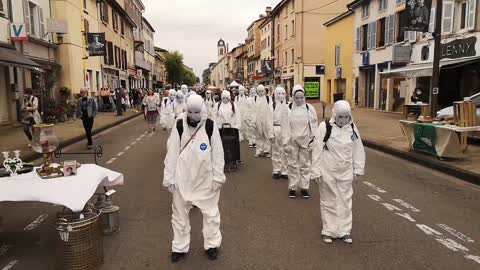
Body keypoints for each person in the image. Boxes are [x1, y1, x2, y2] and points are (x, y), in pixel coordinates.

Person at [164, 95, 226, 262]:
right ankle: (179, 247)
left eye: (196, 112)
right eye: (190, 112)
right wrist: (169, 177)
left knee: (211, 213)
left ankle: (212, 244)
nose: (193, 116)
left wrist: (218, 177)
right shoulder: (179, 125)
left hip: (205, 178)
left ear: (202, 110)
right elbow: (172, 153)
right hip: (182, 178)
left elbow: (218, 153)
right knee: (179, 215)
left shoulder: (210, 126)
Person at [311, 100, 365, 244]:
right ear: (335, 115)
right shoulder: (325, 127)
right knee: (328, 200)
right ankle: (328, 230)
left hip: (345, 171)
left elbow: (357, 149)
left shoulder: (352, 128)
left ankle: (344, 231)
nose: (343, 120)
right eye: (340, 117)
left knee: (345, 201)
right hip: (327, 170)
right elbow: (317, 149)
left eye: (346, 117)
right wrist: (315, 171)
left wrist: (358, 169)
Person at [282, 85, 318, 199]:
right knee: (292, 165)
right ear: (293, 97)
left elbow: (313, 125)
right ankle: (293, 188)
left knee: (305, 165)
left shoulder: (309, 109)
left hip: (305, 142)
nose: (299, 100)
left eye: (301, 97)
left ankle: (304, 188)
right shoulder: (288, 109)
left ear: (304, 97)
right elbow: (285, 126)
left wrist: (313, 140)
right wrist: (285, 142)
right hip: (292, 142)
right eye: (297, 98)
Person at [272, 86, 289, 180]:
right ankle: (276, 170)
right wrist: (270, 132)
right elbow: (268, 119)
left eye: (283, 93)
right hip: (275, 127)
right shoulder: (272, 105)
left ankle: (284, 170)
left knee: (285, 150)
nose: (281, 96)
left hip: (285, 129)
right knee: (275, 150)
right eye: (279, 93)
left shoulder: (288, 105)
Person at [252, 84, 274, 158]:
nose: (261, 92)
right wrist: (253, 120)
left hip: (266, 119)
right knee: (258, 136)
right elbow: (253, 110)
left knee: (267, 135)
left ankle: (266, 150)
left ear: (264, 91)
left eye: (262, 91)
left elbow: (271, 109)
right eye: (259, 91)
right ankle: (259, 151)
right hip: (258, 120)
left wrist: (270, 119)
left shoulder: (268, 98)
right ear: (257, 92)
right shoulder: (255, 99)